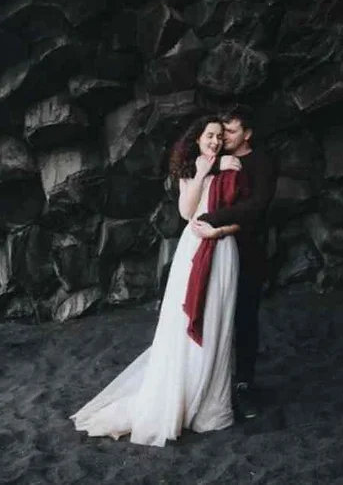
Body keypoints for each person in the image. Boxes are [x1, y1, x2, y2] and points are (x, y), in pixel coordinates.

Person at [70, 116, 246, 447]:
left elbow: (241, 216)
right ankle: (181, 395)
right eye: (210, 136)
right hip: (194, 248)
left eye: (220, 138)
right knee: (183, 327)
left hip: (223, 250)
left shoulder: (232, 168)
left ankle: (209, 404)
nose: (215, 142)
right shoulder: (191, 169)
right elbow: (186, 211)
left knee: (218, 323)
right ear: (198, 139)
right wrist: (206, 170)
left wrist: (220, 227)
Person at [190, 106, 278, 420]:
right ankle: (211, 383)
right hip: (213, 250)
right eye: (221, 131)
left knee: (244, 318)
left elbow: (256, 206)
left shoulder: (261, 162)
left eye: (231, 131)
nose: (224, 137)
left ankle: (243, 384)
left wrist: (216, 220)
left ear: (247, 134)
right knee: (213, 313)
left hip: (247, 250)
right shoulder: (215, 159)